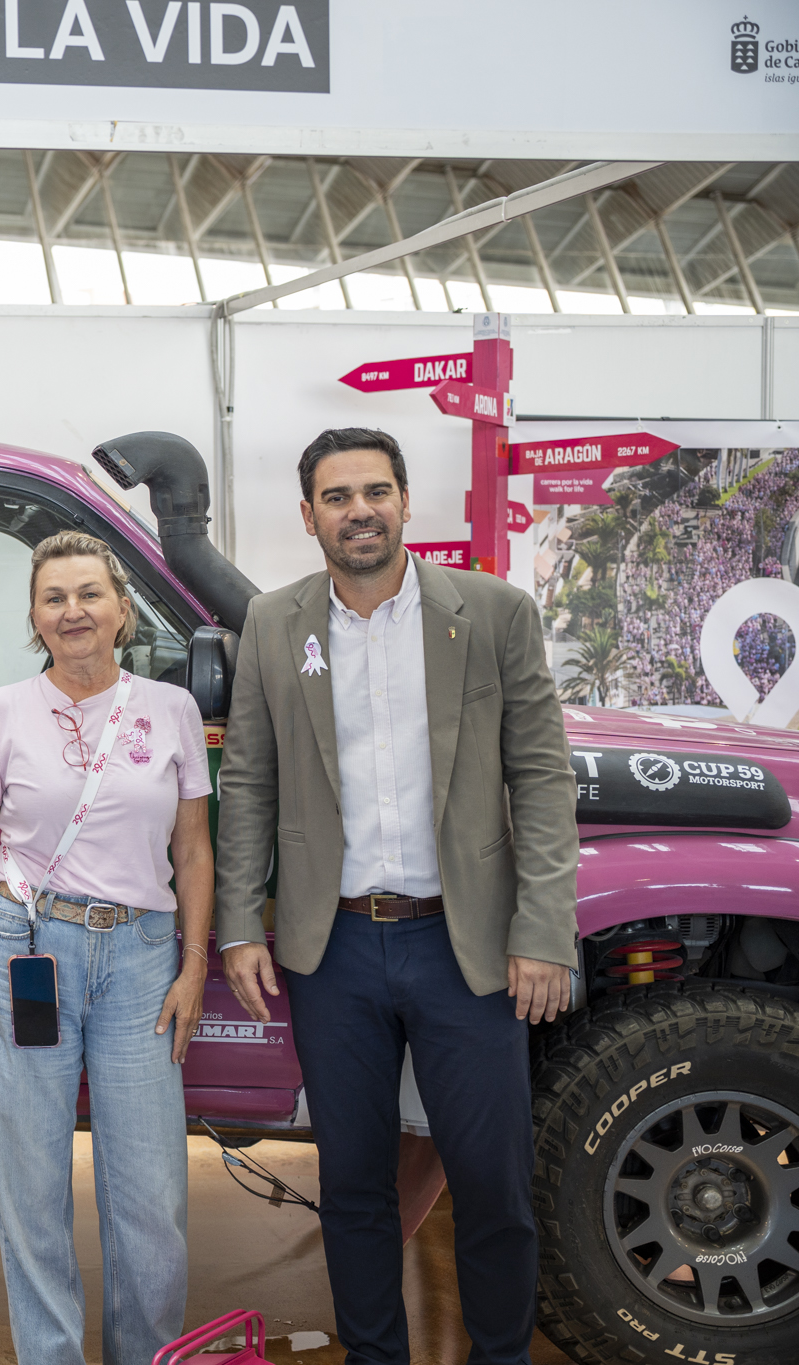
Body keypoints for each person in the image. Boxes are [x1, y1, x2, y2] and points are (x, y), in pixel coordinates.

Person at [214, 428, 578, 1365]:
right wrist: (238, 923)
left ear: (407, 502)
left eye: (376, 491)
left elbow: (542, 778)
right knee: (354, 1185)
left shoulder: (493, 613)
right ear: (309, 516)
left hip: (465, 946)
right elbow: (248, 781)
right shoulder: (274, 624)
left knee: (492, 1182)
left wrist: (543, 928)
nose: (360, 511)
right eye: (337, 497)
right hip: (331, 949)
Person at [0, 530, 214, 1365]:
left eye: (90, 593)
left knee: (152, 1193)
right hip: (27, 947)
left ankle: (147, 1354)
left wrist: (194, 963)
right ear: (35, 617)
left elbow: (194, 850)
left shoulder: (171, 710)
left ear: (123, 610)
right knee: (32, 1184)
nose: (73, 611)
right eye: (54, 597)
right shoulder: (2, 711)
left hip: (142, 957)